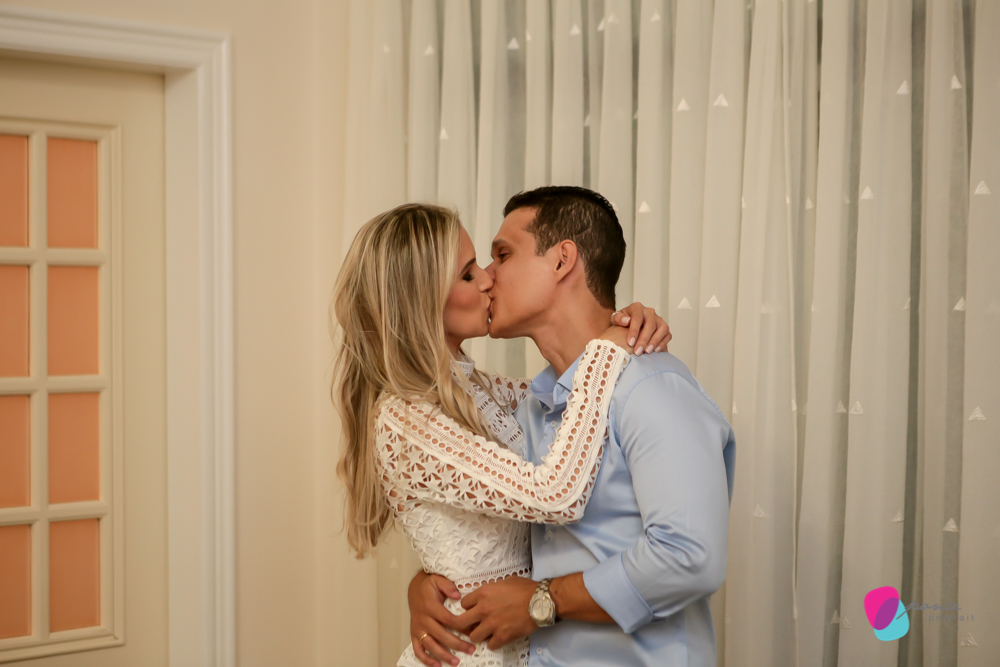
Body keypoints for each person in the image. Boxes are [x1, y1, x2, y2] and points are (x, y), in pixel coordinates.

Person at [407, 186, 736, 667]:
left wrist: (543, 601)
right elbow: (491, 534)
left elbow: (689, 557)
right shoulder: (525, 412)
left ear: (562, 260)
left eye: (503, 255)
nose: (487, 277)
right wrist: (427, 584)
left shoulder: (651, 387)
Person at [331, 202, 672, 667]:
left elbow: (570, 399)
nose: (488, 279)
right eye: (467, 274)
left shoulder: (478, 389)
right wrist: (606, 351)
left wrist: (628, 323)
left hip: (527, 645)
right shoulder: (404, 419)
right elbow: (555, 496)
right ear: (420, 299)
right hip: (469, 655)